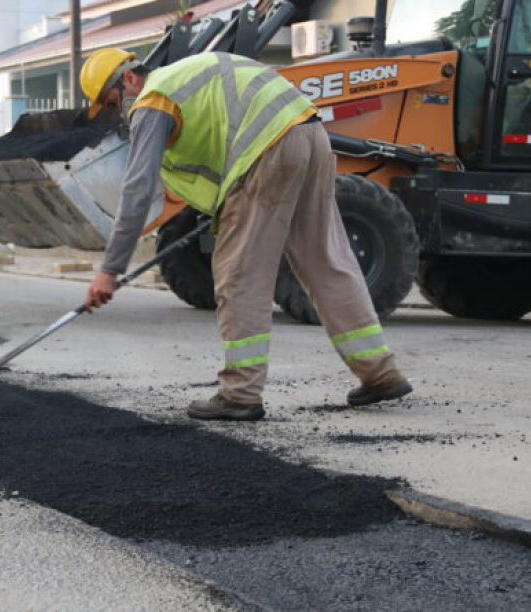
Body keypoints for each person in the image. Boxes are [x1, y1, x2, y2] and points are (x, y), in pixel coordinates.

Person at [81, 49, 412, 421]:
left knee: (240, 274)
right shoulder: (184, 78)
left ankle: (240, 393)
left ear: (129, 78)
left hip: (268, 148)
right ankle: (381, 373)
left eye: (112, 102)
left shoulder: (154, 100)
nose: (117, 111)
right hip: (310, 134)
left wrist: (110, 269)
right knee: (326, 260)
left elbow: (137, 191)